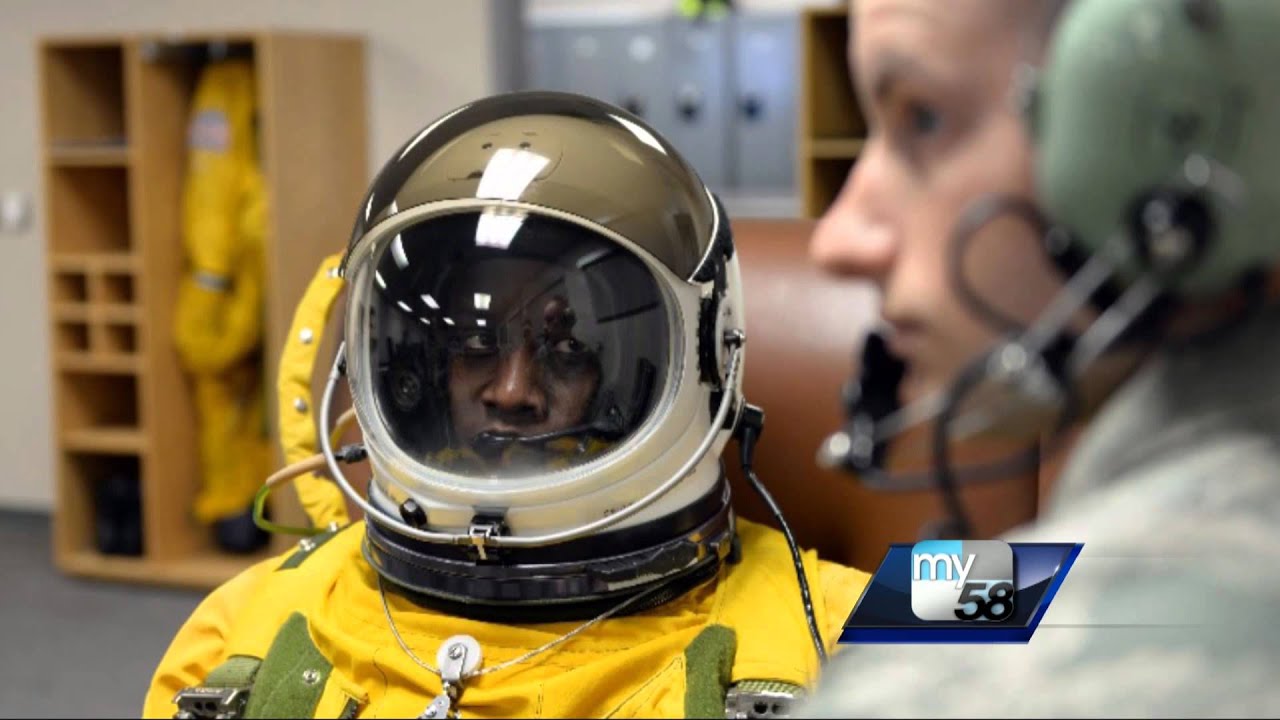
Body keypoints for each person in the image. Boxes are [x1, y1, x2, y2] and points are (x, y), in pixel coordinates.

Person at [144, 91, 868, 720]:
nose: (512, 391)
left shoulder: (837, 621)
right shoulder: (240, 634)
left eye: (568, 350)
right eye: (476, 344)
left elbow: (979, 597)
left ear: (711, 354)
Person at [804, 0, 1280, 715]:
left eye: (922, 119)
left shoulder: (934, 698)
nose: (838, 240)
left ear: (1172, 124)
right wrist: (901, 618)